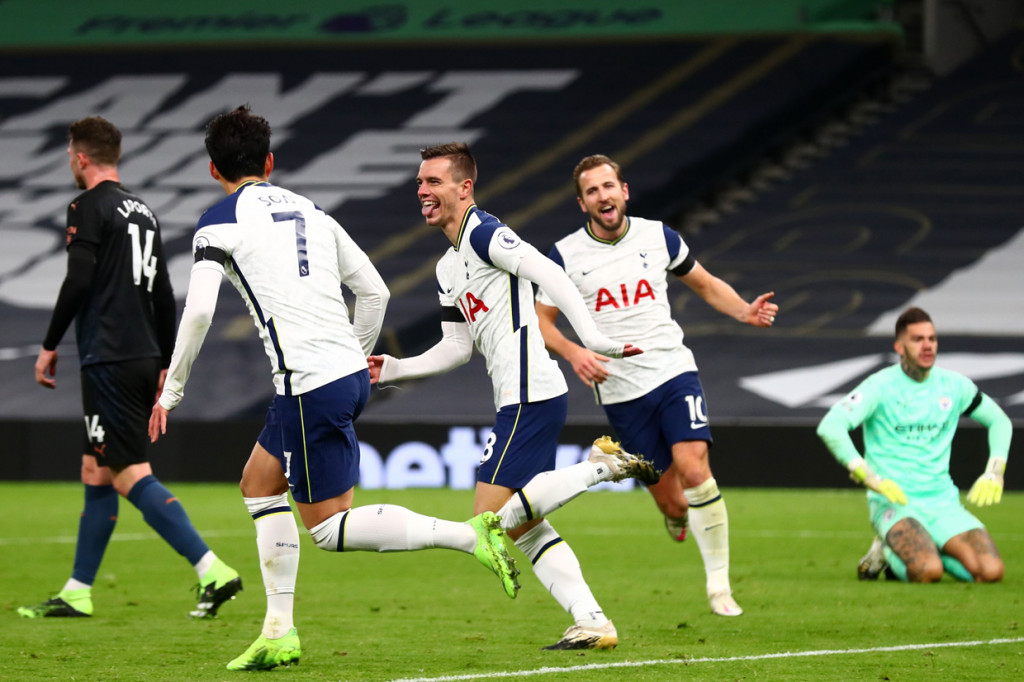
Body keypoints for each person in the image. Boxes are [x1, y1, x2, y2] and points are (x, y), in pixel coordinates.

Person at [148, 107, 519, 671]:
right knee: (257, 484)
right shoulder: (311, 210)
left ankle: (469, 536)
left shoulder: (217, 220)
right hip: (327, 378)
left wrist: (170, 392)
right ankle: (278, 630)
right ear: (269, 162)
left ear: (211, 168)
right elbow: (375, 292)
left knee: (325, 528)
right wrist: (352, 352)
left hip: (309, 386)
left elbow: (198, 313)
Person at [368, 142, 660, 651]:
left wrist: (588, 335)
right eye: (419, 182)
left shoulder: (485, 231)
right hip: (515, 395)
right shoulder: (447, 268)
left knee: (488, 515)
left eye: (433, 182)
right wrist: (393, 368)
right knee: (523, 526)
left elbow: (548, 272)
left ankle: (603, 467)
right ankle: (593, 621)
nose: (422, 191)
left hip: (531, 391)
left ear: (464, 188)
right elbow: (456, 348)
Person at [535, 154, 779, 617]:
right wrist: (574, 352)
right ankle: (676, 518)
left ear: (624, 191)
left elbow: (705, 285)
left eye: (609, 186)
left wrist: (744, 309)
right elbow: (541, 319)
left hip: (672, 370)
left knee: (694, 466)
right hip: (621, 392)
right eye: (592, 191)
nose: (603, 196)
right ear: (582, 203)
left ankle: (719, 587)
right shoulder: (565, 255)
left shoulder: (658, 236)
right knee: (672, 502)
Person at [20, 116, 241, 620]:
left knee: (125, 471)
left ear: (80, 158)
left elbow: (78, 280)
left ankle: (212, 569)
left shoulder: (87, 206)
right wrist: (164, 360)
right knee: (95, 468)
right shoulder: (143, 211)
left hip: (110, 357)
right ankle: (77, 590)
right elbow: (164, 293)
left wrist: (50, 343)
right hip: (141, 356)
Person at [817, 306, 1010, 583]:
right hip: (895, 503)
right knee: (927, 571)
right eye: (917, 339)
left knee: (990, 572)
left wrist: (995, 470)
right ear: (899, 346)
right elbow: (831, 426)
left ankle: (922, 547)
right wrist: (868, 476)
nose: (927, 345)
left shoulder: (954, 386)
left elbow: (999, 421)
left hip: (943, 503)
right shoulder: (879, 386)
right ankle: (886, 551)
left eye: (931, 339)